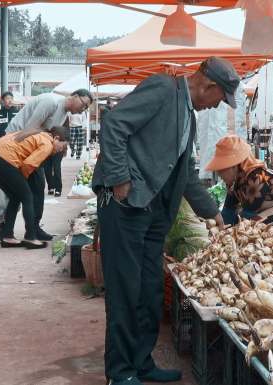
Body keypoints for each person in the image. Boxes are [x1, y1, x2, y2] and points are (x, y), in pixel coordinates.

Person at [92, 56, 235, 385]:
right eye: (220, 99)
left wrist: (212, 213)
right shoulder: (162, 88)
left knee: (150, 290)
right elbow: (113, 125)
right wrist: (119, 180)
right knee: (126, 291)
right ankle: (120, 372)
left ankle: (142, 362)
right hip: (125, 207)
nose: (217, 106)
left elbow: (185, 177)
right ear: (208, 85)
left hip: (153, 214)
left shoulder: (189, 117)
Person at [0, 89, 92, 242]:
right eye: (84, 104)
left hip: (28, 147)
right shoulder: (51, 102)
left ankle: (16, 230)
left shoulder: (63, 111)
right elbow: (30, 128)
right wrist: (26, 157)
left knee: (32, 188)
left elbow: (49, 134)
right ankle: (25, 232)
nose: (84, 109)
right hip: (17, 143)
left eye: (86, 107)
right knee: (30, 189)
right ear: (74, 96)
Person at [206, 135, 273, 233]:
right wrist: (217, 224)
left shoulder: (256, 178)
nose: (219, 174)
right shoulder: (236, 181)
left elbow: (243, 218)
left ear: (235, 166)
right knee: (243, 220)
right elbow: (228, 210)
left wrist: (224, 229)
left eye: (221, 170)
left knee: (248, 222)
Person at [0, 126, 69, 249]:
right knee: (27, 197)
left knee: (14, 197)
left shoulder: (37, 134)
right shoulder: (47, 144)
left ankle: (7, 236)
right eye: (62, 146)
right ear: (56, 138)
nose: (60, 150)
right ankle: (31, 237)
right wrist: (23, 181)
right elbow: (29, 164)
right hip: (4, 160)